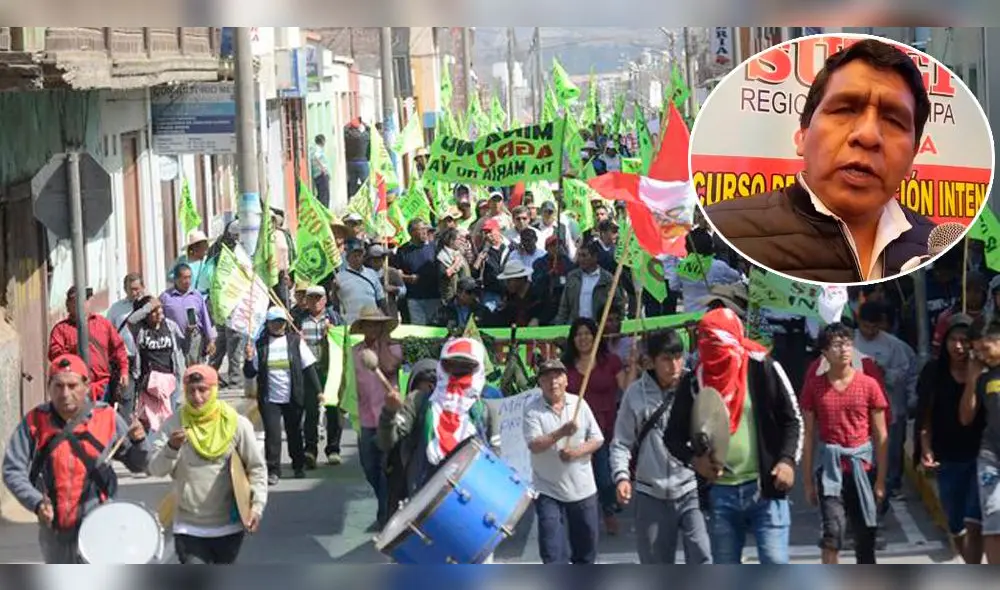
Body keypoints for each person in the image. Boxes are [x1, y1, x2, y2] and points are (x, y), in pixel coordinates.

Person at [703, 39, 935, 283]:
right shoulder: (727, 228)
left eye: (894, 121)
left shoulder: (934, 245)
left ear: (912, 156)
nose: (867, 135)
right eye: (845, 109)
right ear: (803, 135)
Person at [664, 308, 803, 564]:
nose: (709, 349)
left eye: (715, 342)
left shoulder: (764, 368)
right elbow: (672, 437)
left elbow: (793, 419)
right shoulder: (695, 382)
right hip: (720, 495)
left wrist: (786, 461)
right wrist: (696, 461)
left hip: (764, 490)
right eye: (703, 341)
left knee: (775, 564)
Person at [2, 354, 150, 563]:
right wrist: (35, 503)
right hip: (55, 529)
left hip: (101, 524)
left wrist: (140, 441)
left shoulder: (107, 417)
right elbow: (12, 469)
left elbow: (138, 464)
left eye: (72, 386)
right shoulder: (35, 421)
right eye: (58, 386)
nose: (65, 394)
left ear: (86, 386)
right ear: (48, 387)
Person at [148, 365, 268, 564]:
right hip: (189, 528)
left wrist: (257, 506)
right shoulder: (174, 424)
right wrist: (171, 447)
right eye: (191, 391)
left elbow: (256, 469)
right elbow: (156, 469)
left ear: (214, 389)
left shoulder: (236, 424)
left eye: (203, 390)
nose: (197, 397)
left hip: (228, 527)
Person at [610, 330, 712, 564]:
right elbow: (621, 442)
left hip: (690, 489)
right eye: (666, 359)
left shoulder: (695, 387)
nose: (674, 365)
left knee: (703, 555)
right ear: (652, 361)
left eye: (678, 357)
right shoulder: (635, 394)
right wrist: (622, 477)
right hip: (650, 494)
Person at [378, 339, 500, 520]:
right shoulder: (419, 402)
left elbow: (496, 462)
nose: (457, 374)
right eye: (451, 366)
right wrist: (388, 412)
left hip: (472, 506)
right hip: (424, 504)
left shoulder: (488, 410)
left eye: (465, 368)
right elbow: (386, 443)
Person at [800, 323, 889, 564]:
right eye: (837, 345)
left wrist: (881, 480)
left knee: (865, 538)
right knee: (832, 535)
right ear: (825, 352)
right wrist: (808, 481)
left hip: (864, 469)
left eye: (848, 343)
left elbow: (881, 435)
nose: (844, 349)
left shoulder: (869, 384)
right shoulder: (814, 387)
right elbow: (808, 434)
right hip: (830, 471)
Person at [917, 313, 985, 564]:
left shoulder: (985, 370)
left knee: (973, 517)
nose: (959, 346)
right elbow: (925, 417)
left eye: (965, 340)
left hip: (981, 455)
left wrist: (974, 376)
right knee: (955, 521)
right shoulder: (934, 372)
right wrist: (925, 448)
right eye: (953, 340)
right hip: (947, 457)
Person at [524, 359, 604, 564]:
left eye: (558, 376)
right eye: (547, 378)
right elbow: (534, 444)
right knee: (552, 554)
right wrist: (561, 432)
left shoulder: (580, 404)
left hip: (582, 490)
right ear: (539, 382)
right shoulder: (532, 410)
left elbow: (598, 439)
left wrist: (576, 452)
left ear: (566, 380)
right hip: (548, 491)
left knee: (586, 553)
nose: (553, 382)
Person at [563, 317, 637, 534]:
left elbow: (627, 386)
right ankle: (582, 520)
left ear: (596, 337)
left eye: (588, 333)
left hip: (604, 428)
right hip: (576, 429)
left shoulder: (610, 361)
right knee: (576, 478)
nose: (583, 338)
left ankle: (608, 510)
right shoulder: (566, 366)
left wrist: (632, 366)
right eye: (579, 334)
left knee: (604, 477)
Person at [244, 307, 322, 485]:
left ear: (286, 324)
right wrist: (248, 359)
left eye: (281, 322)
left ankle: (298, 465)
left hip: (293, 395)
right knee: (273, 435)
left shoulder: (295, 342)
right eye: (274, 322)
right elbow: (250, 373)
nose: (278, 325)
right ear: (268, 324)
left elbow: (308, 368)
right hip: (269, 398)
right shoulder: (260, 345)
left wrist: (318, 391)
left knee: (294, 431)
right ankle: (273, 470)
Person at [853, 300, 917, 498]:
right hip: (857, 408)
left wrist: (884, 372)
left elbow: (907, 372)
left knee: (891, 449)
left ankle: (891, 483)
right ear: (858, 321)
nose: (870, 331)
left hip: (889, 405)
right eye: (865, 326)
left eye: (874, 327)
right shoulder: (849, 342)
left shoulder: (895, 346)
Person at [351, 306, 402, 530]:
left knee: (385, 470)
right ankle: (387, 507)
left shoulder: (394, 349)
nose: (373, 328)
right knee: (369, 468)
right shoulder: (354, 352)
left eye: (377, 324)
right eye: (369, 324)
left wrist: (382, 342)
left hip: (387, 421)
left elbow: (390, 366)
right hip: (364, 419)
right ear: (362, 328)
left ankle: (385, 515)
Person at [959, 315, 1000, 563]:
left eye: (986, 349)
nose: (982, 356)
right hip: (992, 457)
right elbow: (966, 416)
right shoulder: (984, 375)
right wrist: (972, 379)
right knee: (994, 520)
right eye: (977, 352)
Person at [48, 286, 129, 403]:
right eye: (72, 301)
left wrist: (124, 371)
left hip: (103, 386)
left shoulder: (103, 324)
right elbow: (54, 355)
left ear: (88, 302)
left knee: (102, 419)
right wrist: (73, 353)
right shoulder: (60, 329)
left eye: (80, 301)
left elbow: (119, 348)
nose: (75, 305)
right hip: (75, 388)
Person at [295, 286, 344, 466]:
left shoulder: (334, 318)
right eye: (311, 298)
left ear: (325, 300)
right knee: (311, 411)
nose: (315, 302)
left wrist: (334, 332)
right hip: (308, 371)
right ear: (306, 301)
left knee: (333, 410)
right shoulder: (299, 320)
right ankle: (310, 449)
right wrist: (296, 338)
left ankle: (333, 449)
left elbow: (344, 338)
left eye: (318, 298)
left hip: (330, 369)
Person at [130, 295, 186, 430]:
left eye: (160, 309)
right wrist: (150, 305)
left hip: (170, 381)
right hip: (149, 384)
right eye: (154, 311)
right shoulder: (141, 330)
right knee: (152, 422)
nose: (159, 312)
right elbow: (131, 320)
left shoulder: (170, 326)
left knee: (171, 419)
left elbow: (182, 345)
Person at [664, 228, 744, 314]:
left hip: (689, 316)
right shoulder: (718, 266)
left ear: (687, 247)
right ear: (710, 245)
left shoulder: (682, 266)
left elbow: (673, 286)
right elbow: (736, 277)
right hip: (712, 315)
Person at [554, 239, 626, 325]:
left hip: (599, 329)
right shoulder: (572, 277)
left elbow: (618, 305)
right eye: (579, 255)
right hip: (576, 329)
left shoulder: (608, 279)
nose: (580, 259)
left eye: (584, 255)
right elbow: (564, 306)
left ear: (595, 257)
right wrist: (559, 326)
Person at [161, 263, 217, 366]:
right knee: (178, 369)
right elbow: (160, 319)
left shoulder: (196, 295)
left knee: (195, 371)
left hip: (194, 339)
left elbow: (205, 319)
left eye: (189, 277)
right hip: (174, 341)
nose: (188, 281)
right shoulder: (166, 297)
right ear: (176, 279)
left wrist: (211, 340)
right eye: (184, 278)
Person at [394, 219, 441, 324]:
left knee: (435, 327)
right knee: (419, 328)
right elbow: (397, 272)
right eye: (421, 229)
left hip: (434, 297)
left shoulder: (434, 247)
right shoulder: (403, 250)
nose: (425, 232)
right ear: (411, 232)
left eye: (426, 229)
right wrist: (407, 278)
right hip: (414, 298)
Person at [337, 239, 387, 324]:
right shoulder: (339, 277)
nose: (357, 258)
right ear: (347, 258)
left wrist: (386, 316)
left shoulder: (372, 273)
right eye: (354, 256)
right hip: (350, 322)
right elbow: (335, 303)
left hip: (372, 320)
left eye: (360, 255)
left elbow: (380, 298)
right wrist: (334, 290)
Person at [311, 134, 331, 208]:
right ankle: (325, 211)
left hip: (317, 175)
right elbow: (316, 157)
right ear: (322, 141)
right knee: (325, 195)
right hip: (321, 174)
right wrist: (322, 168)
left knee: (321, 195)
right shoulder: (318, 149)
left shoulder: (313, 148)